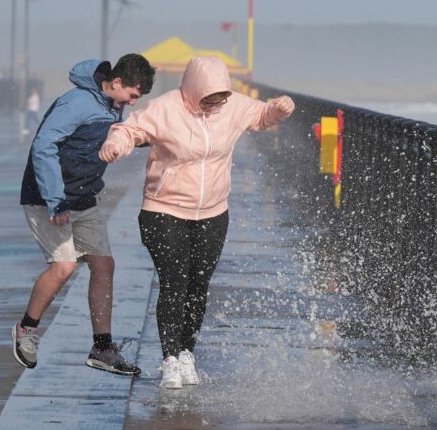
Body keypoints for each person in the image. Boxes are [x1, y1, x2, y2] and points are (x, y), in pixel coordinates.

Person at [99, 56, 295, 389]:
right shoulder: (166, 108)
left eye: (221, 97)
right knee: (174, 283)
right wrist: (115, 144)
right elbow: (129, 129)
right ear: (193, 90)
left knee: (197, 287)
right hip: (164, 211)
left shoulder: (231, 106)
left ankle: (187, 353)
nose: (216, 104)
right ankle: (170, 359)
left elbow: (261, 116)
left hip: (213, 213)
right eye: (209, 97)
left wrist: (278, 110)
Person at [13, 53, 156, 376]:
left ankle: (102, 349)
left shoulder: (112, 104)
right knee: (63, 267)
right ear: (116, 83)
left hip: (84, 197)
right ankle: (26, 330)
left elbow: (116, 133)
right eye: (132, 95)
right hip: (49, 198)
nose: (132, 103)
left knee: (103, 264)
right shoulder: (76, 103)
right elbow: (43, 146)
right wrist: (55, 199)